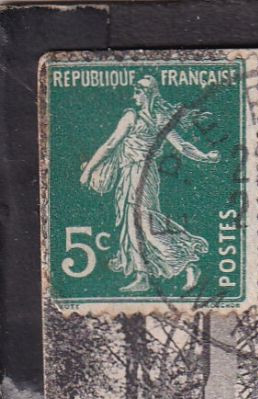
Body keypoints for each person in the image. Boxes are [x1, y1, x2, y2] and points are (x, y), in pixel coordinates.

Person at [78, 76, 219, 293]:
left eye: (137, 91)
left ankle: (183, 262)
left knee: (142, 222)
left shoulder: (132, 117)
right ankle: (145, 274)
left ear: (147, 93)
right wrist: (205, 157)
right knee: (137, 223)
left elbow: (109, 145)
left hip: (137, 173)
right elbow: (182, 146)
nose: (134, 96)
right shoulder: (160, 117)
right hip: (142, 174)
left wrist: (88, 171)